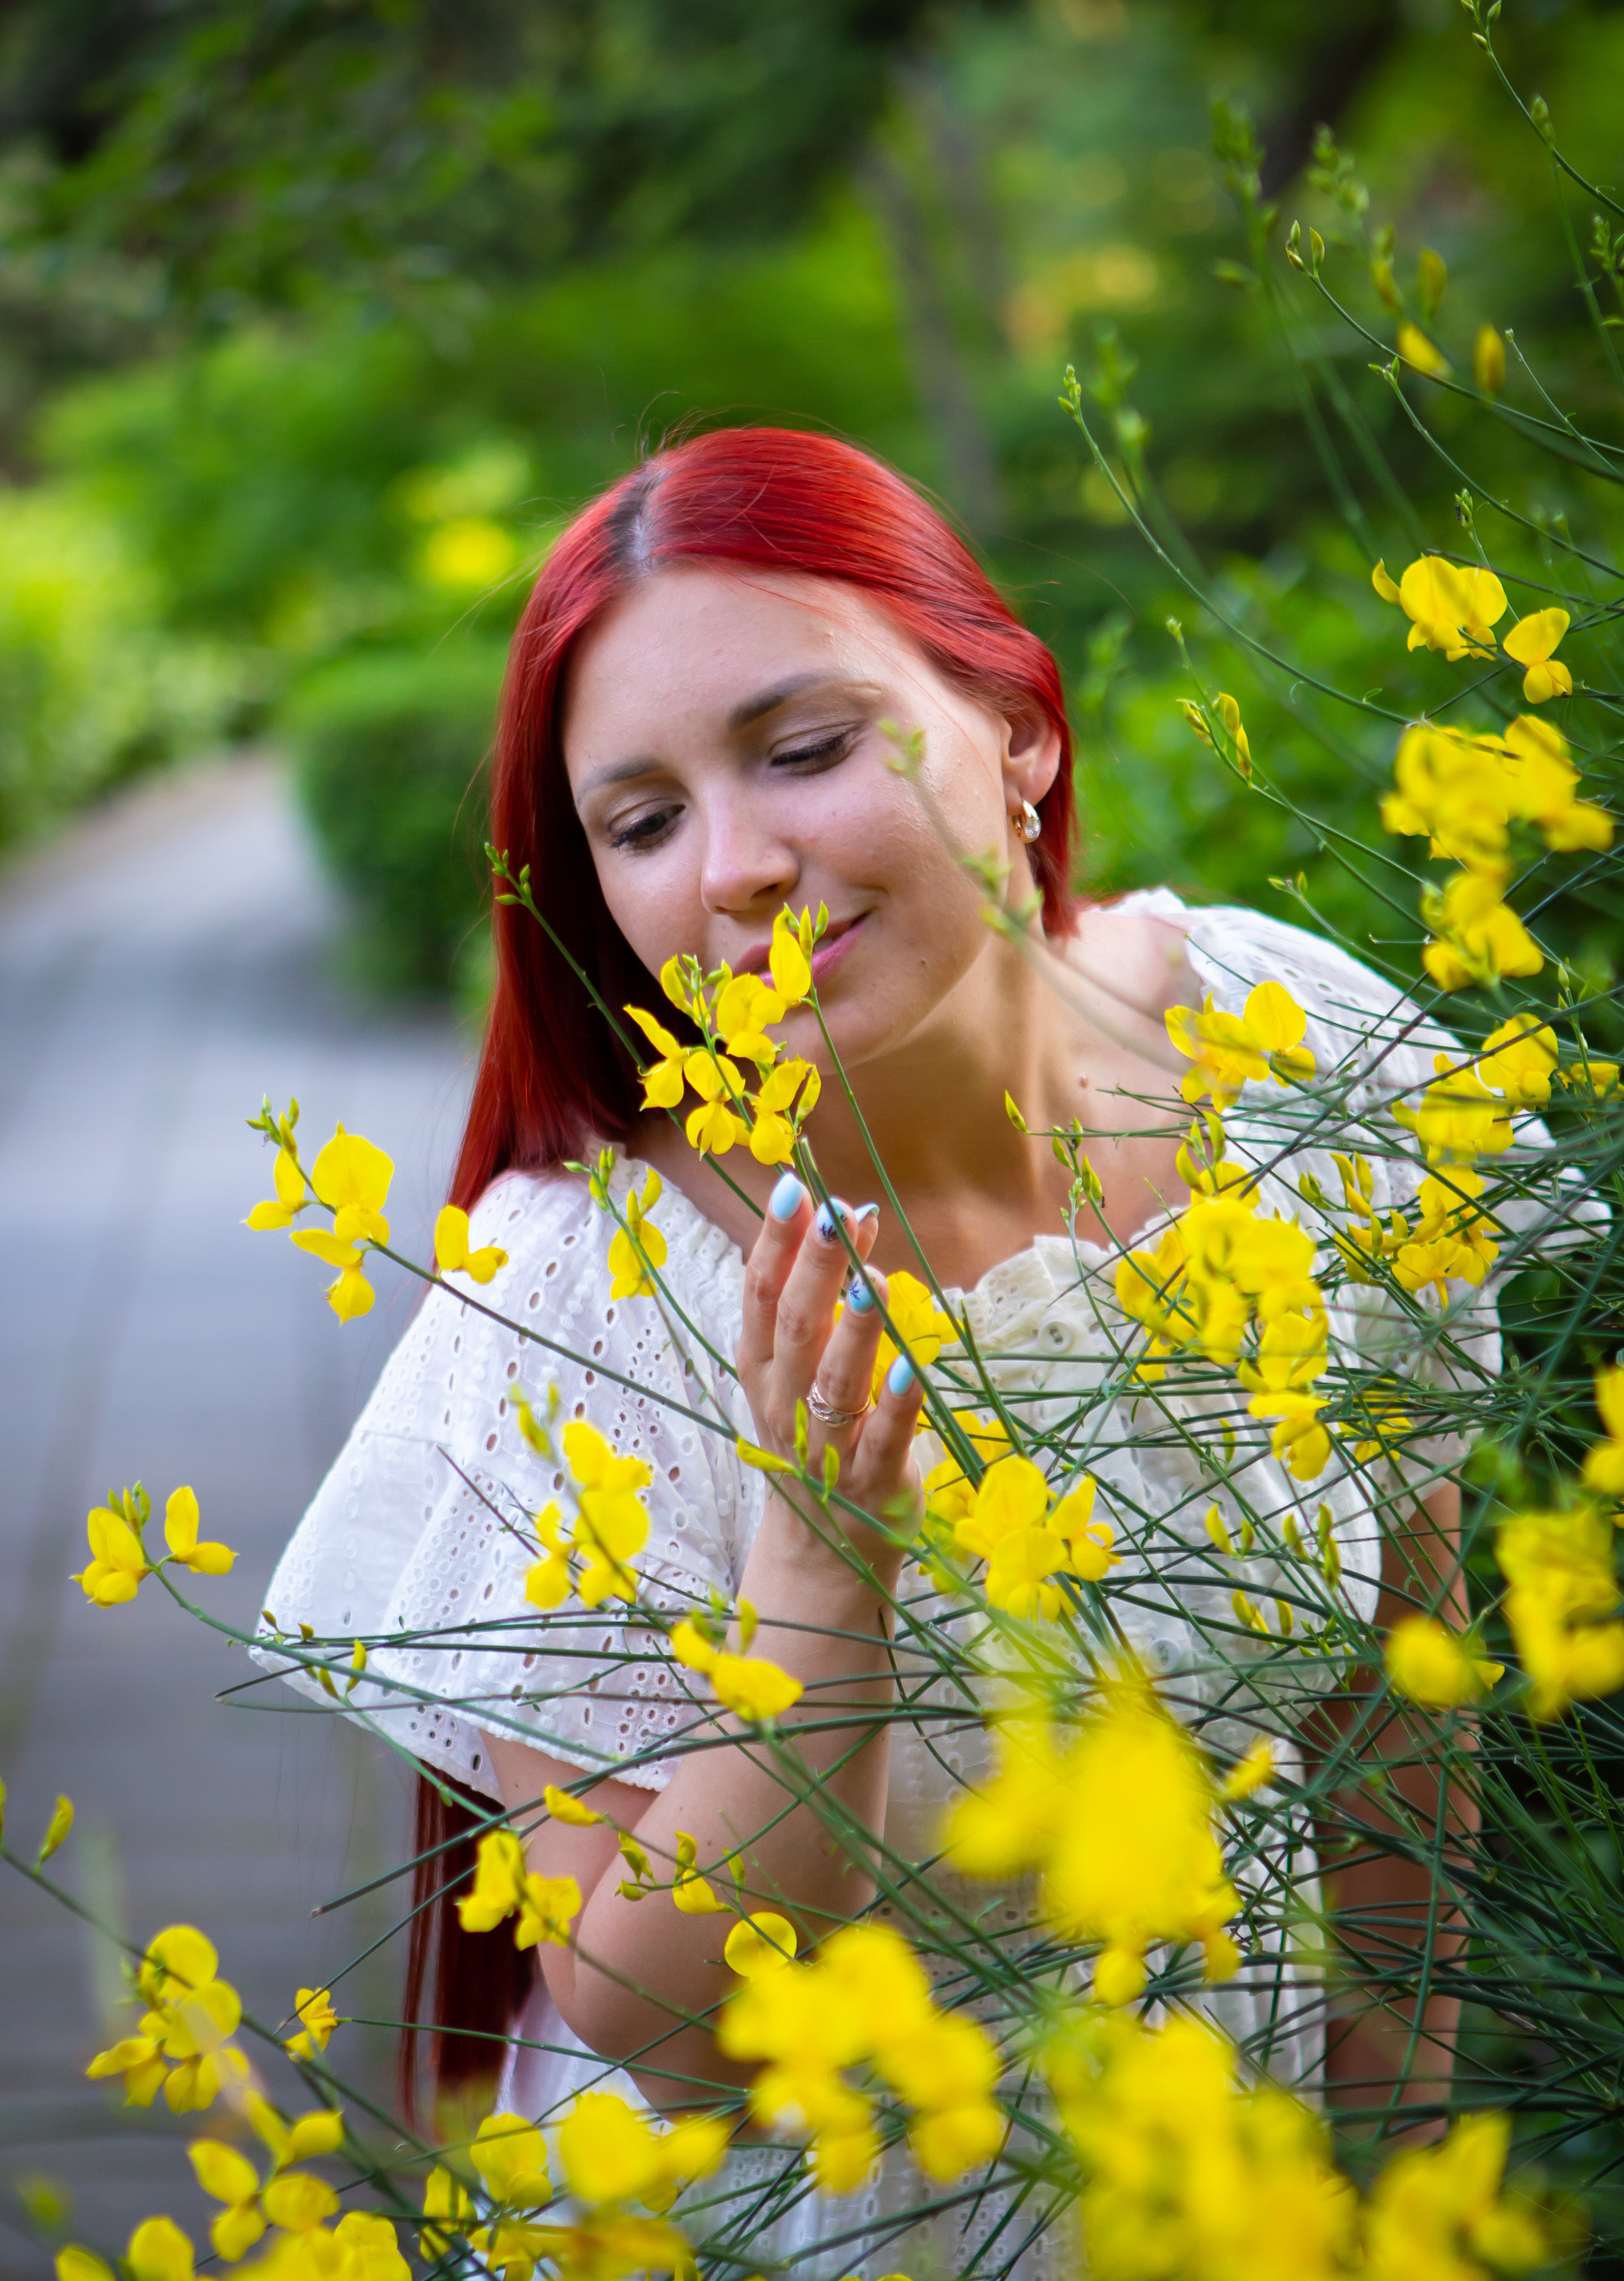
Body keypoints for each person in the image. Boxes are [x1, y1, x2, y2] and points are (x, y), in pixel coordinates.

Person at [258, 426, 1533, 2278]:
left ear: (1018, 727)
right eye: (643, 821)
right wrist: (822, 1581)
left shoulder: (1296, 1056)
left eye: (804, 749)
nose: (742, 868)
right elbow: (666, 2030)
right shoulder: (580, 1301)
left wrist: (1391, 2163)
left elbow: (1401, 1711)